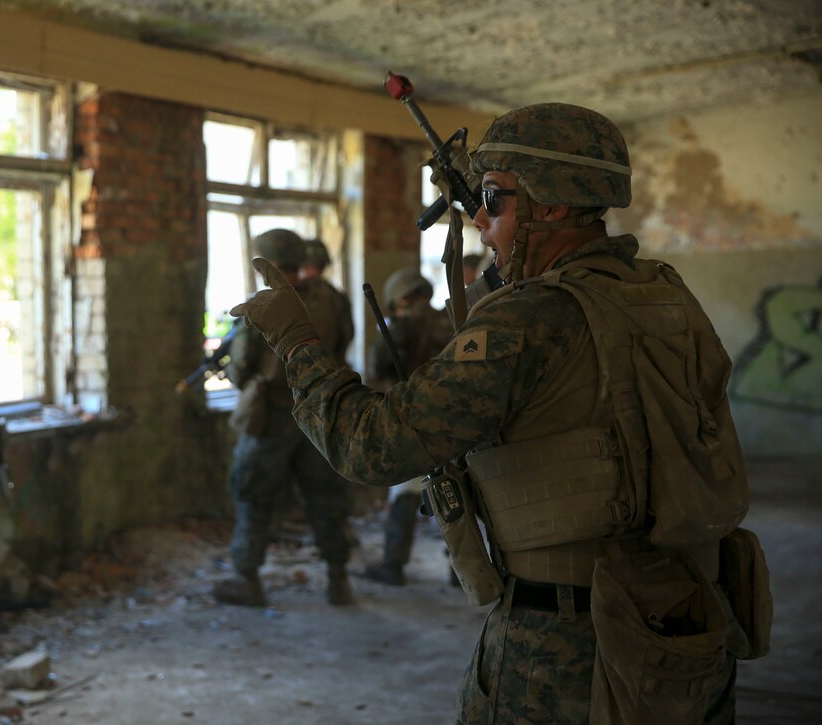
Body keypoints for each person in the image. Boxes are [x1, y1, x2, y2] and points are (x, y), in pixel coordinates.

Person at [231, 104, 761, 723]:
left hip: (569, 643)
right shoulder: (664, 293)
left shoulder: (531, 318)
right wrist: (492, 204)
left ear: (554, 205)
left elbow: (370, 446)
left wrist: (297, 345)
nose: (481, 219)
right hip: (684, 619)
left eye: (495, 199)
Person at [213, 229, 356, 608]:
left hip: (274, 415)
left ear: (269, 263)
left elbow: (241, 368)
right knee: (326, 497)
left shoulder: (264, 304)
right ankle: (338, 580)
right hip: (321, 411)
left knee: (253, 496)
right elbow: (343, 345)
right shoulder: (333, 299)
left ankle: (247, 579)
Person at [362, 267, 453, 586]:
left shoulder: (398, 328)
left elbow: (375, 367)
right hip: (454, 422)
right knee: (456, 495)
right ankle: (462, 571)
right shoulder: (450, 319)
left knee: (405, 496)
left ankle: (393, 565)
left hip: (411, 424)